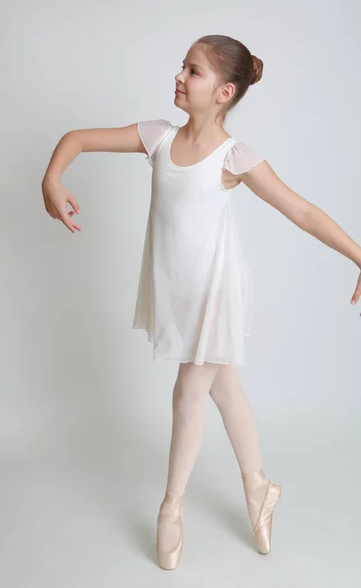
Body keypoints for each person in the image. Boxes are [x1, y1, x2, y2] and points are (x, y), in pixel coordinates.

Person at [41, 34, 361, 569]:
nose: (179, 77)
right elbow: (76, 138)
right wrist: (52, 176)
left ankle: (170, 507)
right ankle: (259, 487)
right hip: (177, 292)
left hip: (217, 291)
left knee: (190, 387)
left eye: (193, 71)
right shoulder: (158, 138)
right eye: (182, 67)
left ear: (224, 91)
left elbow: (302, 212)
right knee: (226, 389)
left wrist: (359, 255)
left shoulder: (233, 157)